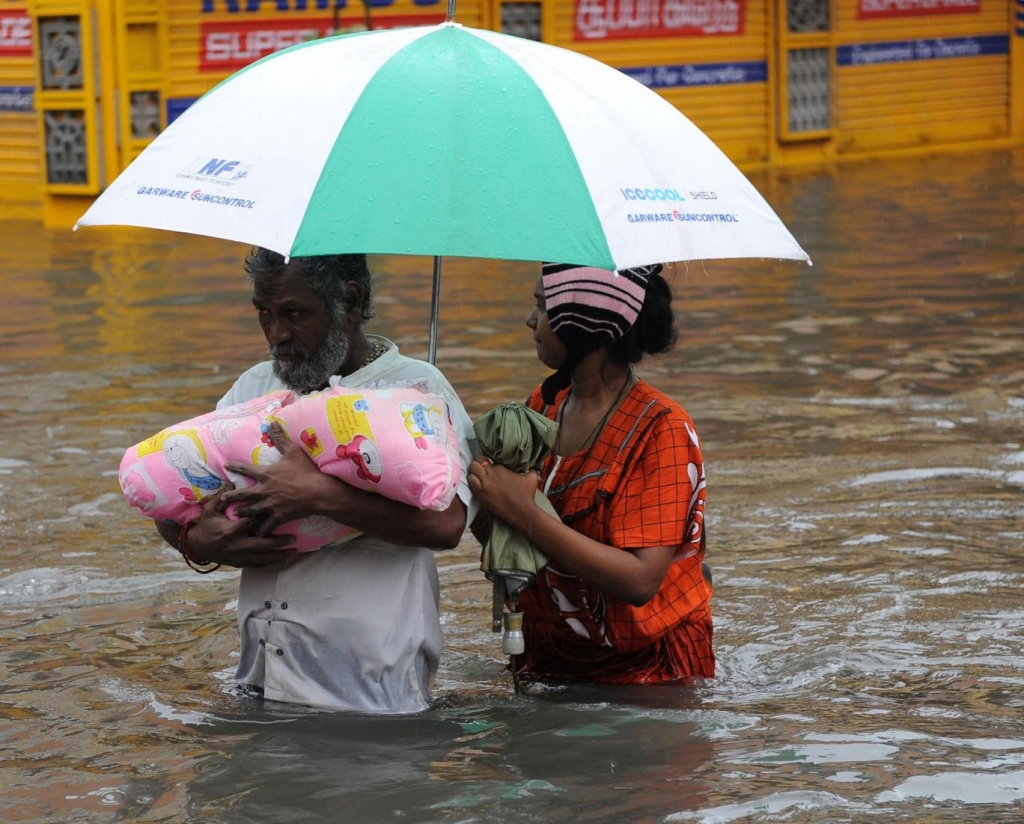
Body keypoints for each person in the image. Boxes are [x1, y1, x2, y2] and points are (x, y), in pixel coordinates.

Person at [155, 248, 475, 714]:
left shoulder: (417, 391)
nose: (277, 333)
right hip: (259, 678)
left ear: (350, 301)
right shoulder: (255, 387)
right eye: (264, 313)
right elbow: (175, 499)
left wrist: (320, 495)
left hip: (373, 692)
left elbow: (448, 526)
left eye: (295, 313)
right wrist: (196, 542)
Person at [468, 262, 714, 684]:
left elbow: (640, 579)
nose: (531, 321)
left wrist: (524, 513)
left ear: (583, 324)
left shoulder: (663, 428)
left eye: (543, 308)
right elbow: (506, 533)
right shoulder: (541, 407)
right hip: (548, 654)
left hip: (649, 676)